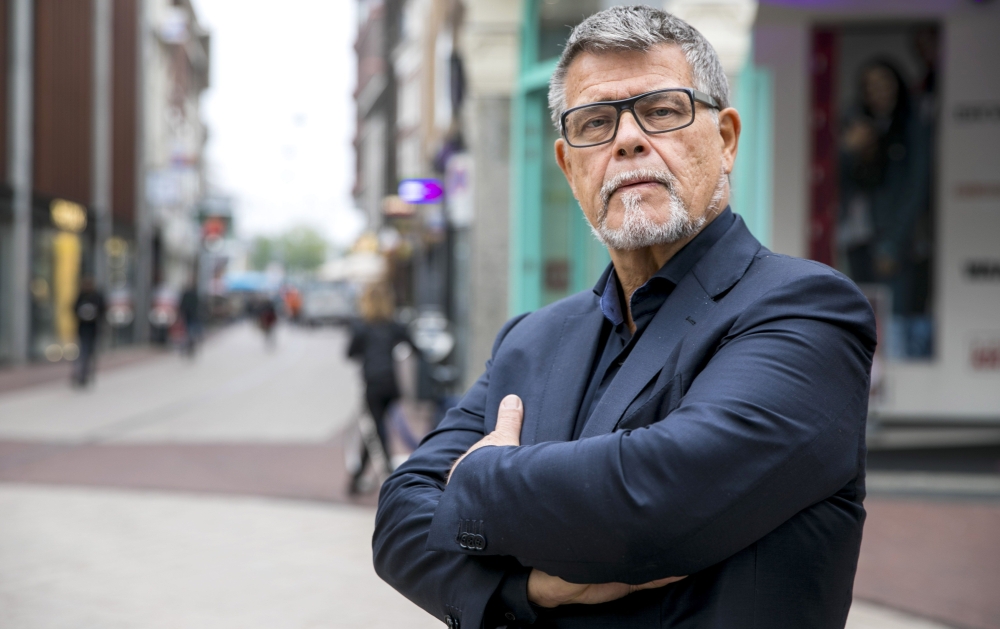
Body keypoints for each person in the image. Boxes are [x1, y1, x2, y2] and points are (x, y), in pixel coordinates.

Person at [373, 6, 876, 629]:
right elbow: (399, 517)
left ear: (725, 140)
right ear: (568, 165)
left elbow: (657, 500)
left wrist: (479, 477)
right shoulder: (530, 341)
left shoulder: (805, 311)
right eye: (595, 122)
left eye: (663, 111)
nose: (628, 138)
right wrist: (527, 589)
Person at [347, 283, 411, 494]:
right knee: (373, 429)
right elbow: (413, 345)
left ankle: (390, 477)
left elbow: (349, 353)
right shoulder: (394, 325)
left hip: (372, 385)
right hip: (390, 385)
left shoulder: (361, 327)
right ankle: (355, 481)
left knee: (375, 430)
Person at [72, 277, 106, 387]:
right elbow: (74, 308)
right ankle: (81, 374)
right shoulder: (81, 296)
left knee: (90, 352)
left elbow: (103, 309)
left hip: (93, 329)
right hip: (83, 329)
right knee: (83, 351)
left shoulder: (96, 296)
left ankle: (87, 373)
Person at [178, 282, 201, 357]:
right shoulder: (195, 295)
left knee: (188, 329)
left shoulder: (186, 294)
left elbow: (182, 305)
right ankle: (191, 340)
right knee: (191, 329)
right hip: (193, 315)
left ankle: (189, 340)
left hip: (187, 315)